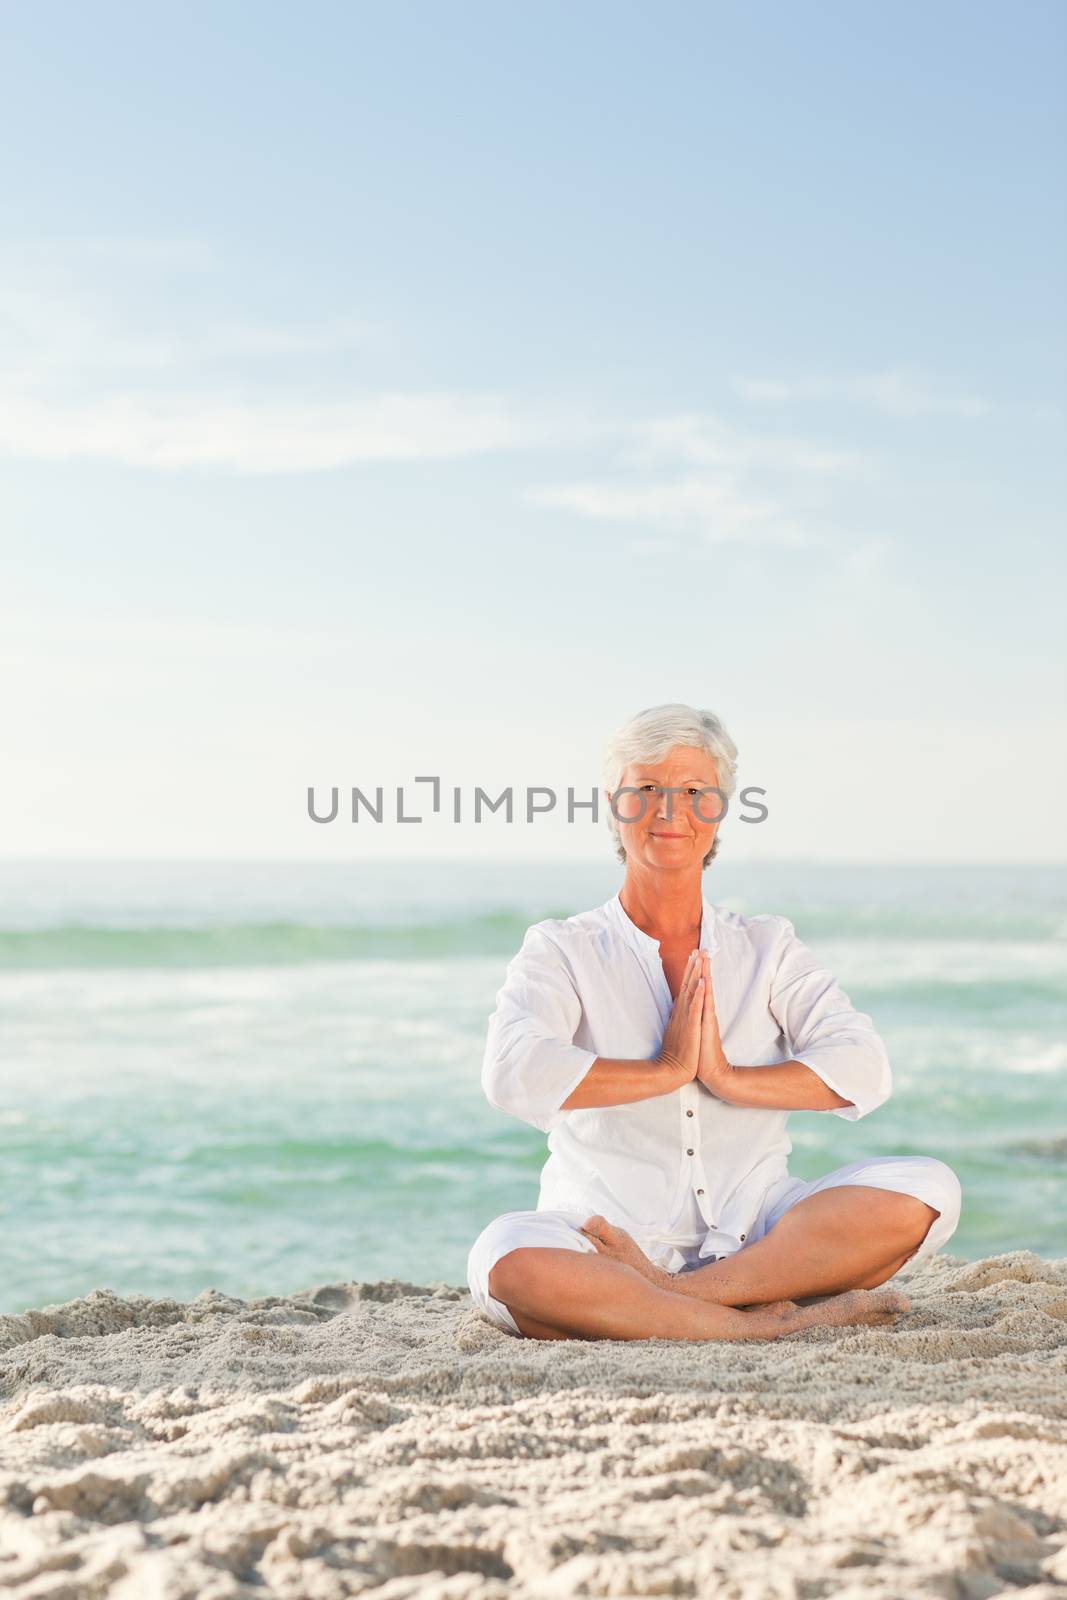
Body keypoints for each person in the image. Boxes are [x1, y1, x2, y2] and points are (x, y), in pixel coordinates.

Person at [467, 702, 962, 1341]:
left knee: (927, 1191)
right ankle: (759, 1327)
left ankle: (675, 1297)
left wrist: (727, 1079)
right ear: (614, 804)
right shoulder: (562, 948)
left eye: (694, 791)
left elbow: (862, 1066)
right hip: (601, 1236)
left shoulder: (766, 946)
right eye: (646, 789)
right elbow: (512, 1074)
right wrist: (664, 1071)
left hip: (759, 1230)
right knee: (504, 1263)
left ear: (719, 806)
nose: (670, 812)